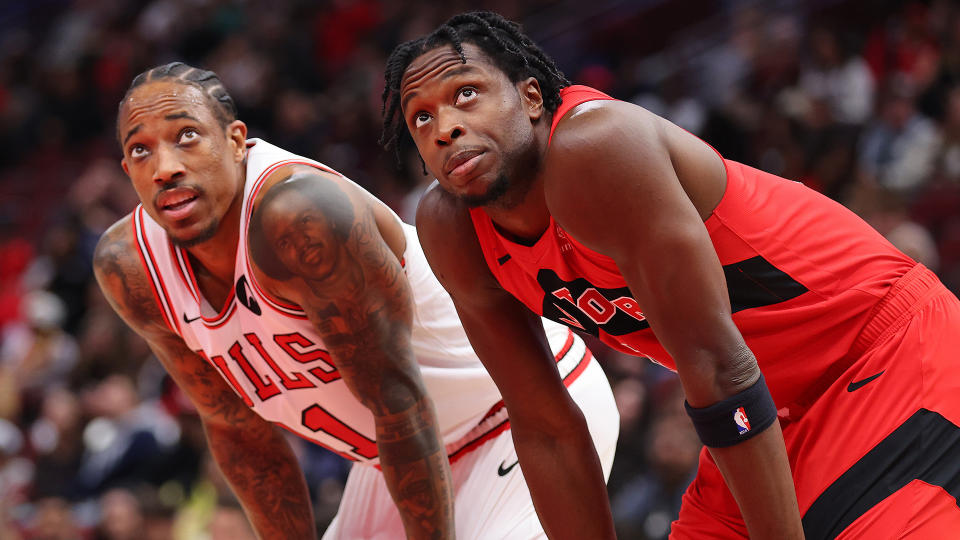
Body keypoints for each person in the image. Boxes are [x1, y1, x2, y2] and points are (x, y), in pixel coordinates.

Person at [382, 11, 960, 540]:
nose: (445, 128)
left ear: (531, 97)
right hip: (763, 412)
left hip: (881, 356)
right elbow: (545, 427)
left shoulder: (592, 147)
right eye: (423, 118)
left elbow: (716, 364)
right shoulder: (451, 230)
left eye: (466, 95)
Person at [94, 62, 619, 539]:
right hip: (392, 460)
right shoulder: (130, 266)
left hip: (522, 415)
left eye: (186, 137)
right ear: (127, 169)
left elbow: (400, 402)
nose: (164, 166)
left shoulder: (300, 216)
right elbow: (238, 430)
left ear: (236, 141)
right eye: (142, 149)